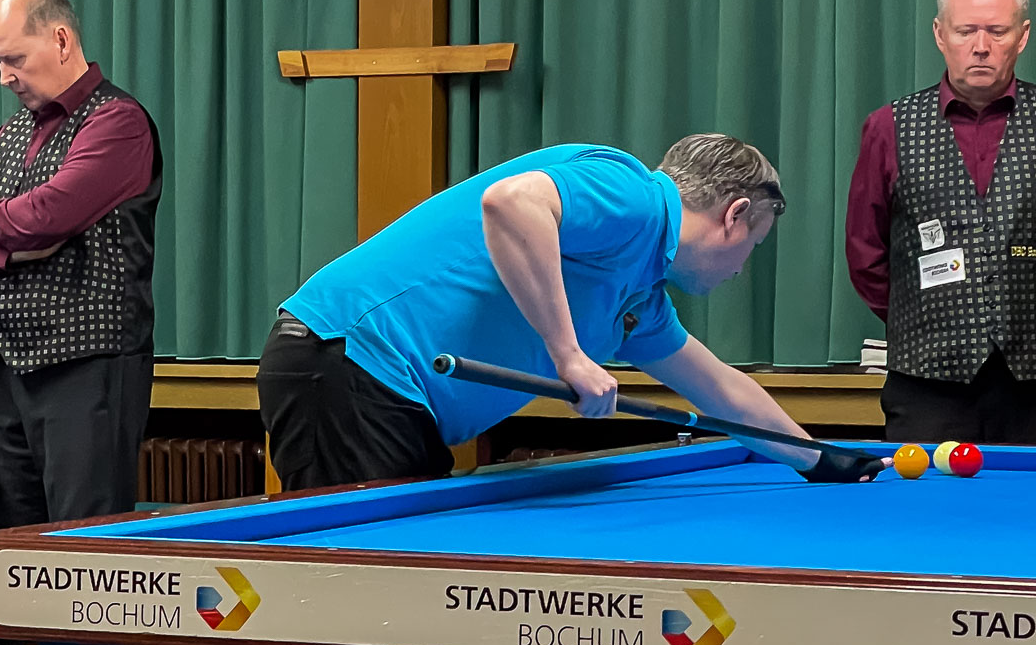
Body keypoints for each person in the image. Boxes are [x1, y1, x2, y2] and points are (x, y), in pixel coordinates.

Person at [262, 135, 889, 489]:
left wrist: (817, 457)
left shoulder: (639, 296)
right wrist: (569, 356)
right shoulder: (635, 196)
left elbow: (720, 389)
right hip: (344, 361)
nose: (741, 270)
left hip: (383, 395)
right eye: (752, 248)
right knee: (364, 590)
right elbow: (510, 203)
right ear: (734, 215)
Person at [0, 0, 159, 645]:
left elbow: (50, 214)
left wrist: (8, 228)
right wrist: (17, 238)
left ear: (61, 40)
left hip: (91, 369)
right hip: (15, 369)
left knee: (84, 571)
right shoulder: (11, 133)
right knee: (17, 566)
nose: (5, 76)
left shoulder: (119, 123)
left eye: (15, 58)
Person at [846, 0, 1036, 445]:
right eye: (966, 30)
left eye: (997, 31)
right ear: (939, 34)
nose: (981, 46)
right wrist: (923, 316)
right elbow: (865, 253)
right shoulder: (888, 126)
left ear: (1022, 37)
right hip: (927, 387)